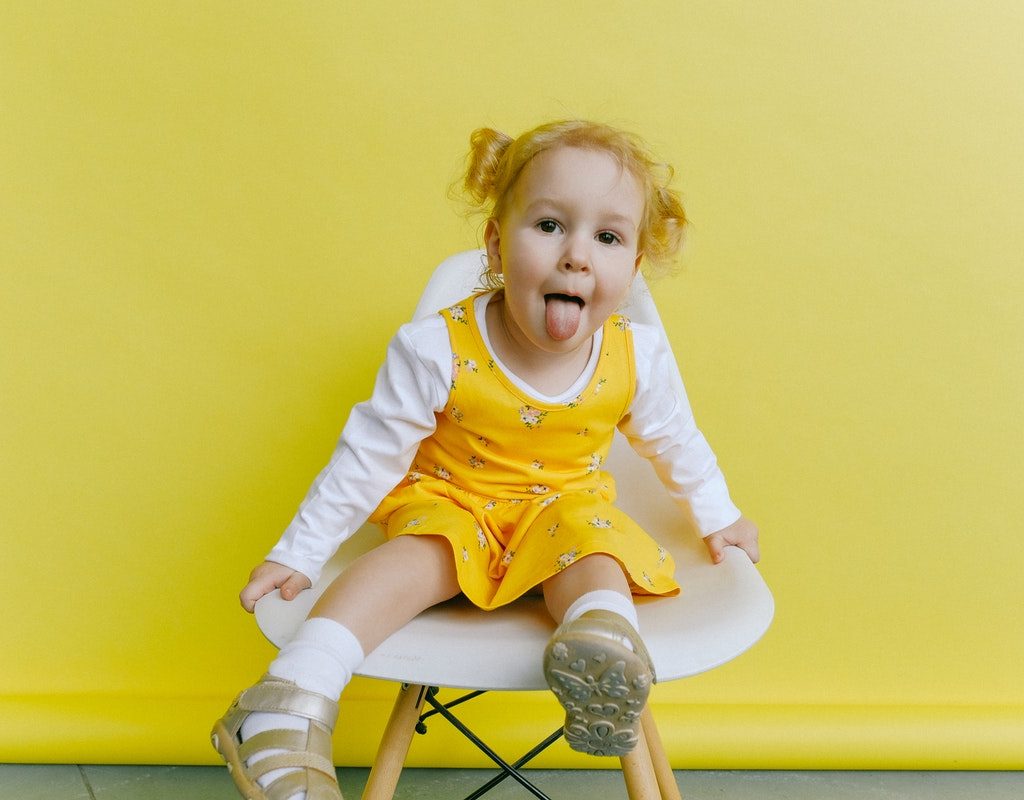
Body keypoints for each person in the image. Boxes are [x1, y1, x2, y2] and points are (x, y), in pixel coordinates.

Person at [211, 119, 760, 800]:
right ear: (496, 244)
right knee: (411, 559)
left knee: (597, 549)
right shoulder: (438, 347)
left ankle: (601, 649)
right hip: (454, 507)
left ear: (634, 270)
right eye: (551, 226)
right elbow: (368, 454)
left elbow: (678, 440)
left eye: (608, 238)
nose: (577, 257)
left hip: (562, 515)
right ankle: (293, 694)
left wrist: (719, 514)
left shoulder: (635, 355)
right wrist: (299, 552)